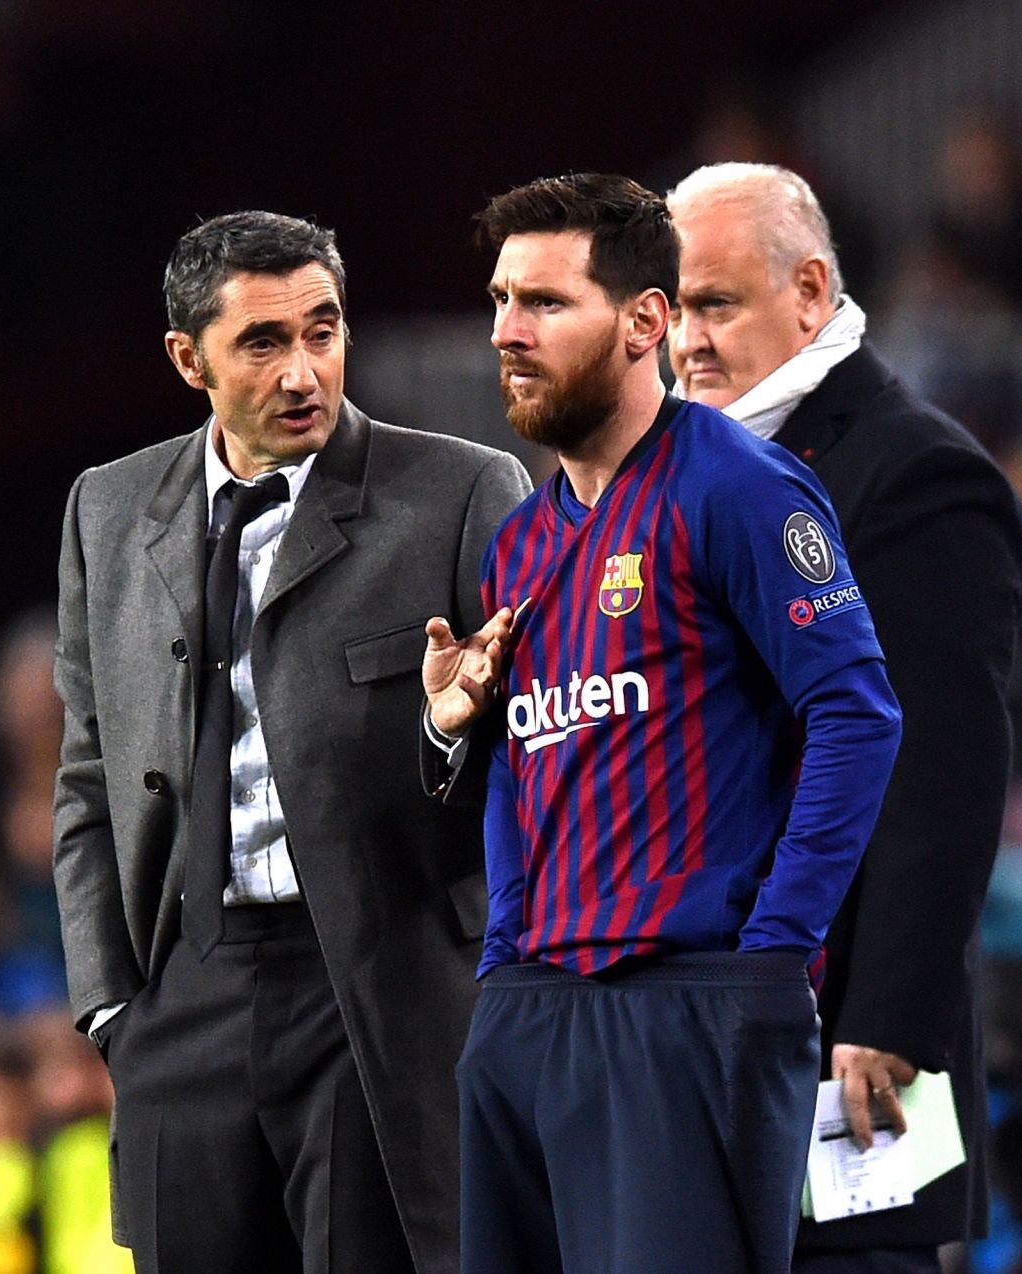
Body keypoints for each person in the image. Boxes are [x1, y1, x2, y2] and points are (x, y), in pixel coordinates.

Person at [422, 173, 902, 1273]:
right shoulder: (522, 543)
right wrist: (503, 963)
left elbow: (857, 714)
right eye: (501, 299)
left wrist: (773, 954)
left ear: (645, 321)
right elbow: (520, 762)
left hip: (686, 1002)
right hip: (533, 1007)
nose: (507, 330)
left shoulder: (737, 485)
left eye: (544, 301)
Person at [53, 210, 530, 1274]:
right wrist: (109, 1006)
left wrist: (448, 730)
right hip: (183, 995)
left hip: (381, 989)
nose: (304, 368)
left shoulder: (462, 491)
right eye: (263, 342)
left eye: (323, 330)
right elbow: (88, 771)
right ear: (189, 359)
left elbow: (534, 766)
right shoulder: (110, 506)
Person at [668, 161, 1022, 1273]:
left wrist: (891, 1016)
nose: (686, 339)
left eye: (715, 303)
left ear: (812, 291)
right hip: (693, 1031)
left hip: (847, 1045)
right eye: (668, 307)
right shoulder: (672, 467)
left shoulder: (912, 471)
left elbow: (944, 768)